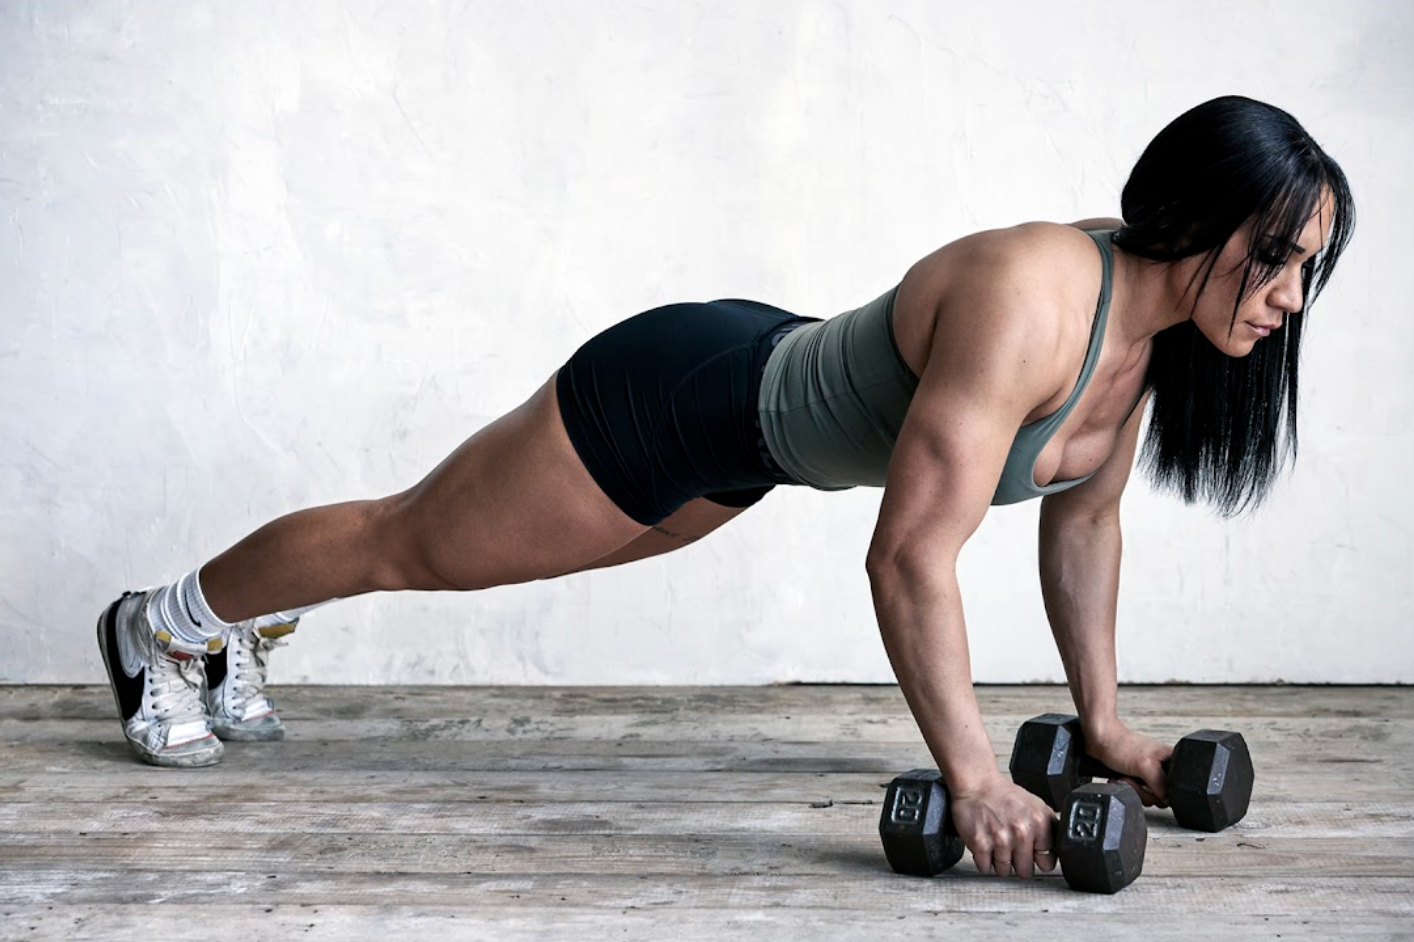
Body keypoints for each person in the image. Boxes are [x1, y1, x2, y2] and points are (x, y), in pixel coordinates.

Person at [97, 95, 1354, 881]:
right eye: (1281, 258)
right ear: (1203, 218)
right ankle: (167, 624)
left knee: (480, 547)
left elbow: (1084, 527)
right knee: (416, 544)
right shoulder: (1032, 298)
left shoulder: (1152, 353)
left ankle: (232, 623)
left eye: (1310, 269)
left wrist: (1107, 731)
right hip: (678, 394)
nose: (1292, 296)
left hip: (748, 449)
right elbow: (909, 554)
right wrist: (973, 776)